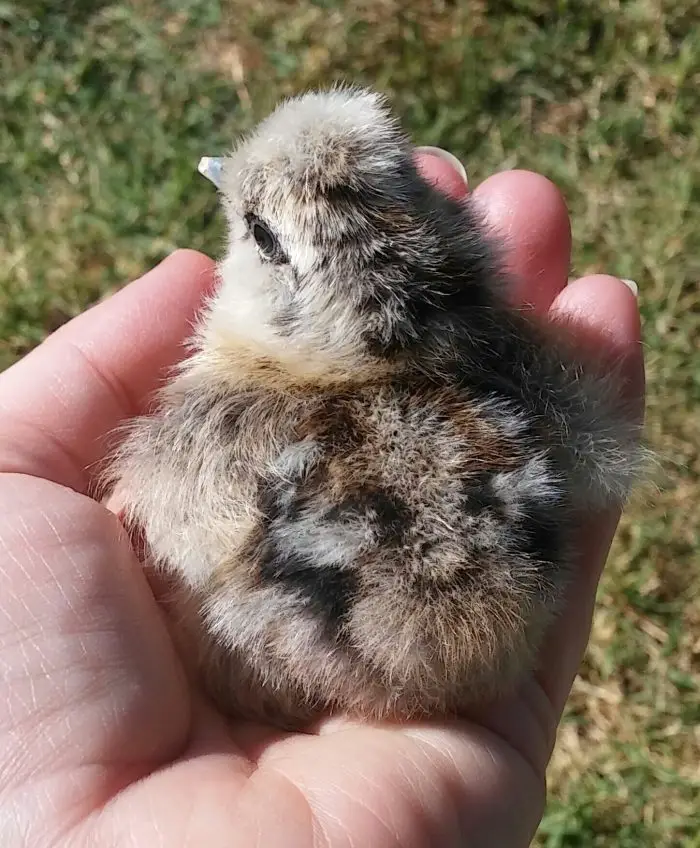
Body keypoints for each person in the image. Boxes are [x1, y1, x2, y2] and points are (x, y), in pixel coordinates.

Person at [0, 153, 643, 847]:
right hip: (466, 645)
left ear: (281, 269)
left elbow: (203, 537)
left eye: (256, 223)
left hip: (353, 648)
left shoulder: (220, 432)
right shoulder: (497, 381)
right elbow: (578, 453)